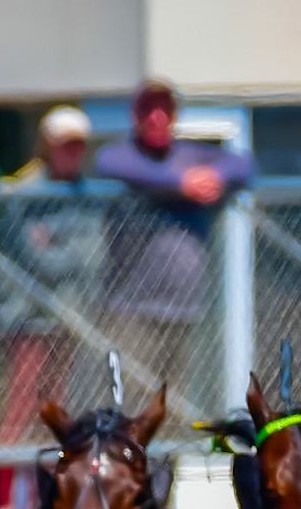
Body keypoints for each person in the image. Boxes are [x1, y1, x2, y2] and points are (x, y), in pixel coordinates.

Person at [96, 80, 252, 407]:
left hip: (183, 311)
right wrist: (178, 183)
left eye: (163, 109)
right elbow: (107, 162)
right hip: (131, 310)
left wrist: (215, 177)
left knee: (171, 404)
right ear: (135, 115)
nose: (156, 117)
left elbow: (244, 164)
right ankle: (133, 461)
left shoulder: (192, 154)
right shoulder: (125, 155)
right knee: (129, 403)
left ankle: (166, 461)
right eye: (148, 109)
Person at [0, 105, 104, 509]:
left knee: (57, 413)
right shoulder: (23, 191)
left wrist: (59, 246)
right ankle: (7, 508)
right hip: (27, 316)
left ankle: (42, 504)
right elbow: (35, 257)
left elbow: (92, 257)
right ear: (47, 146)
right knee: (20, 406)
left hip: (69, 317)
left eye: (77, 145)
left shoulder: (88, 193)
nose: (71, 153)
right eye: (63, 144)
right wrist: (64, 252)